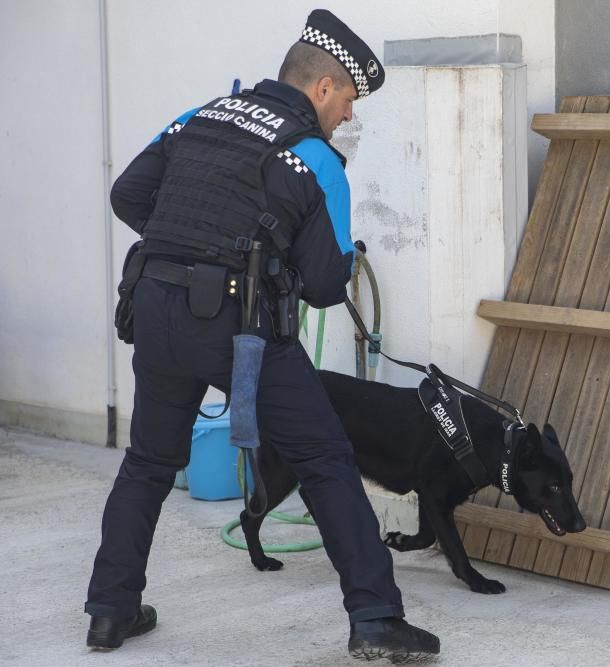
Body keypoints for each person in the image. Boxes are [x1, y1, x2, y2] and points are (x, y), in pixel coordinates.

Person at [84, 9, 440, 661]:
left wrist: (190, 248)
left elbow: (127, 193)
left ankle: (110, 611)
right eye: (350, 102)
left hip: (156, 308)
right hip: (240, 325)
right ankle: (376, 618)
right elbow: (329, 284)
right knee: (327, 458)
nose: (349, 120)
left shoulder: (202, 115)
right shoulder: (314, 157)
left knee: (148, 461)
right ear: (324, 89)